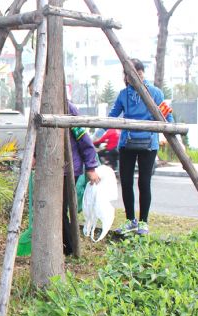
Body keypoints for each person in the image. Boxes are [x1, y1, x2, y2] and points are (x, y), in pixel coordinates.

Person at [17, 78, 100, 256]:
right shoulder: (38, 112)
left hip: (68, 168)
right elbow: (39, 140)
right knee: (51, 208)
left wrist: (91, 167)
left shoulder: (67, 109)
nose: (33, 99)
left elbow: (84, 140)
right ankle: (61, 246)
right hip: (49, 168)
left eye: (35, 95)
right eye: (31, 95)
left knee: (59, 209)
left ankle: (69, 249)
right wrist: (34, 156)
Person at [108, 58, 172, 236]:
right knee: (126, 182)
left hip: (148, 145)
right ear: (126, 77)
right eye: (130, 74)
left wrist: (170, 133)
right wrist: (94, 133)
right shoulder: (123, 95)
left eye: (139, 73)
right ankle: (130, 221)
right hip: (127, 144)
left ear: (143, 73)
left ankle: (144, 222)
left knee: (144, 182)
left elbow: (167, 116)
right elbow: (112, 116)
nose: (135, 77)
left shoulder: (155, 93)